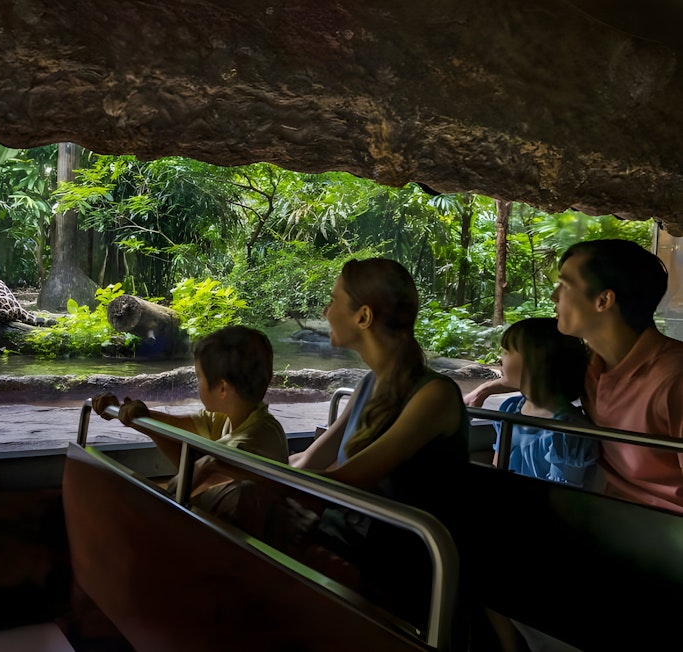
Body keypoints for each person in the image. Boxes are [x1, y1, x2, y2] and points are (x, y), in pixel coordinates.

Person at [286, 257, 470, 627]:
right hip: (351, 537)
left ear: (363, 317)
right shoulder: (368, 384)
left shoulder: (435, 395)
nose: (326, 309)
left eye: (334, 300)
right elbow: (309, 462)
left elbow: (352, 479)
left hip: (395, 560)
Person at [466, 238, 683, 513]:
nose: (553, 296)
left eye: (565, 285)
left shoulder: (674, 380)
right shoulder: (592, 366)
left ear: (603, 300)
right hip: (603, 513)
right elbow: (538, 370)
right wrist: (488, 388)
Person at [91, 325, 288, 497]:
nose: (197, 385)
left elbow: (185, 479)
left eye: (198, 377)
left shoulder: (255, 442)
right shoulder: (230, 417)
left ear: (222, 388)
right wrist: (129, 413)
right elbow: (176, 428)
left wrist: (206, 466)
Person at [490, 317, 597, 488]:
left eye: (506, 352)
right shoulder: (509, 409)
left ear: (536, 358)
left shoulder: (568, 431)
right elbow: (497, 466)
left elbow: (561, 497)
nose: (500, 359)